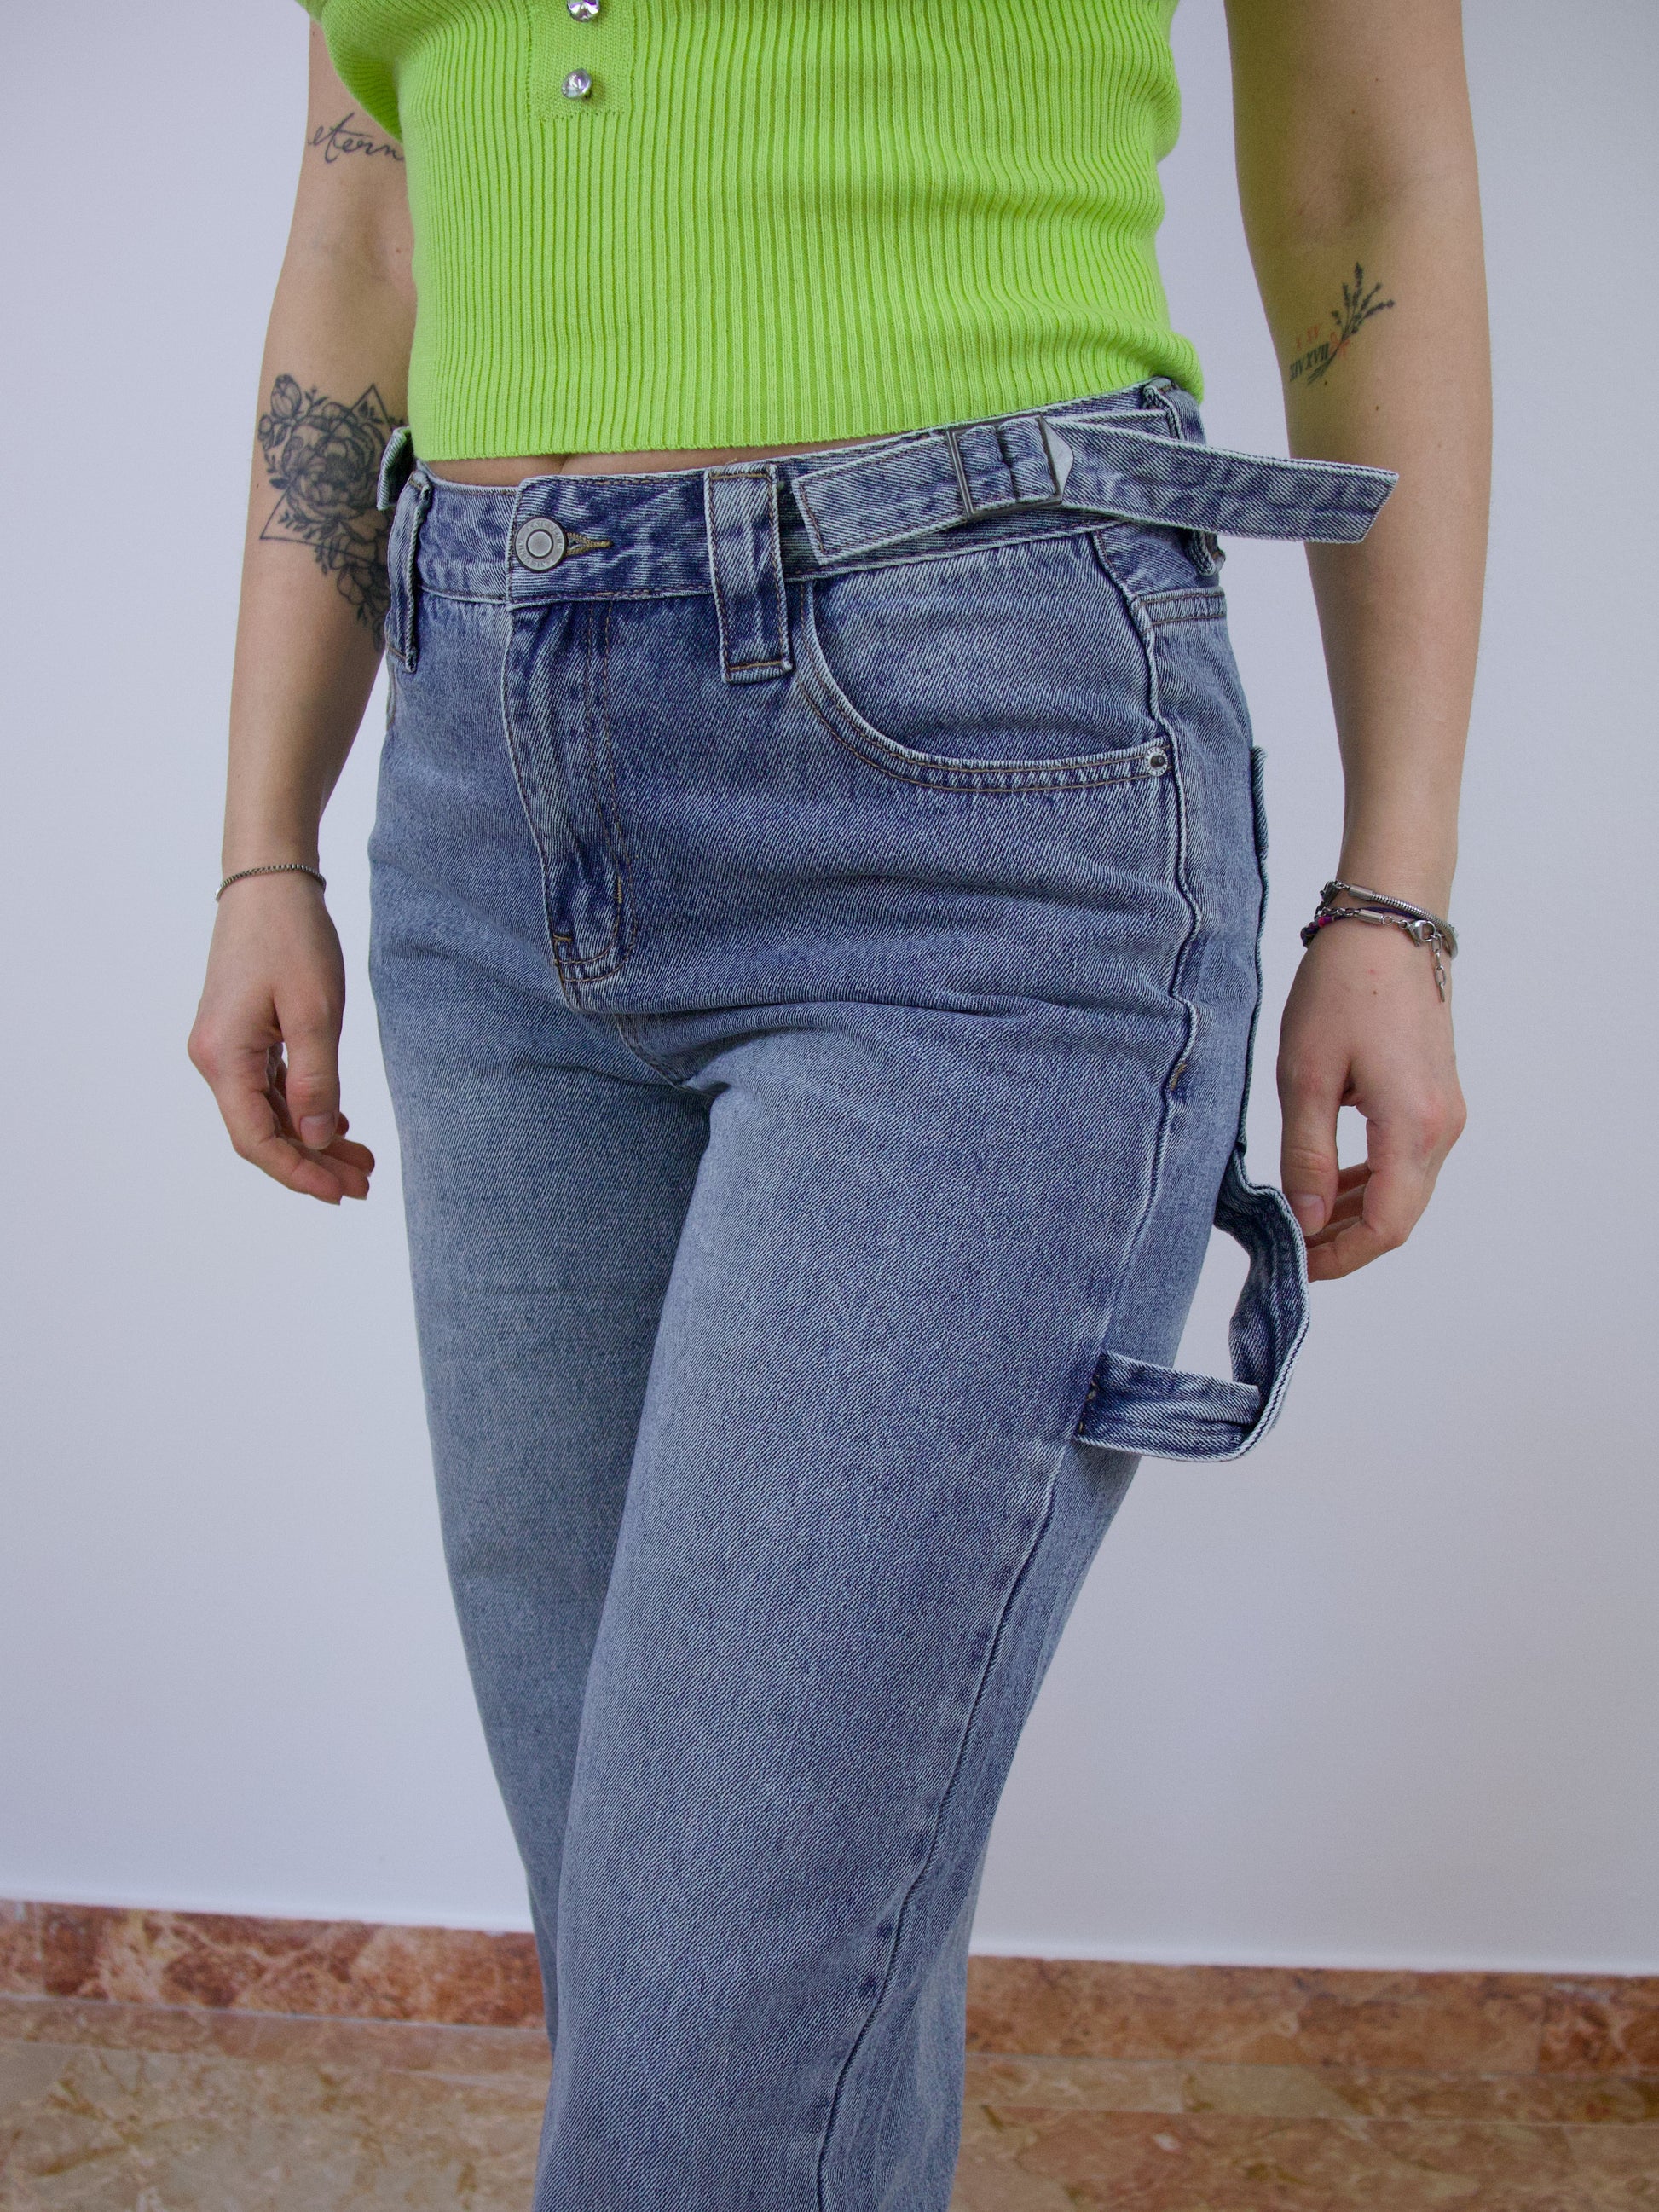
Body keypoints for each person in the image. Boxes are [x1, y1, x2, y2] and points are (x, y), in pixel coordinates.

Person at [188, 3, 1487, 2204]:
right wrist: (261, 843)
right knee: (674, 1988)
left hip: (978, 770)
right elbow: (364, 219)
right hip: (478, 781)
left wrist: (1396, 889)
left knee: (710, 2051)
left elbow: (1370, 174)